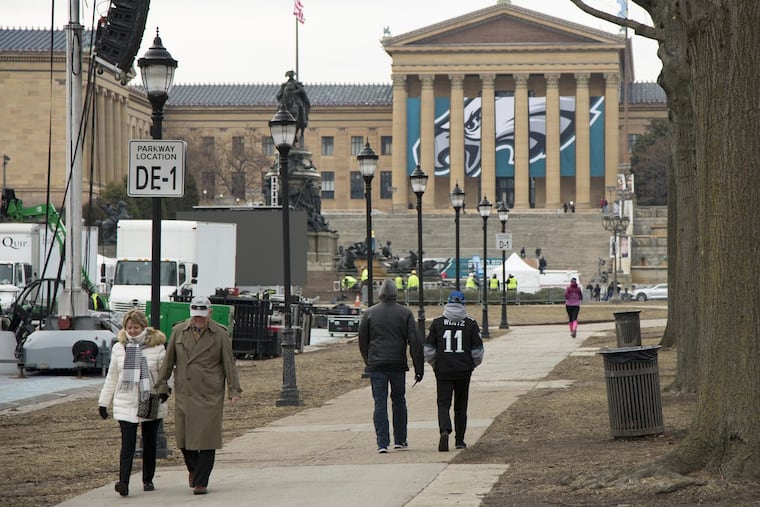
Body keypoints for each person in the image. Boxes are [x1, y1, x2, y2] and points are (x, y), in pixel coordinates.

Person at [155, 296, 241, 495]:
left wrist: (234, 389)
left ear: (209, 313)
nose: (198, 321)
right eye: (195, 317)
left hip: (209, 394)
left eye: (202, 317)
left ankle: (201, 481)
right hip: (185, 393)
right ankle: (193, 469)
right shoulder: (178, 331)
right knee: (185, 440)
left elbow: (229, 364)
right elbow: (168, 362)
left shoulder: (220, 334)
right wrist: (161, 386)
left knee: (207, 439)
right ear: (190, 313)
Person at [98, 309, 168, 497]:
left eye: (136, 327)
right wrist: (104, 402)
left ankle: (148, 478)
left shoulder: (158, 348)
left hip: (149, 398)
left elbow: (165, 374)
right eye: (130, 328)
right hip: (125, 401)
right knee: (127, 445)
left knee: (149, 442)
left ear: (144, 327)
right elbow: (112, 376)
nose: (133, 331)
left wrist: (165, 390)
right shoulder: (119, 348)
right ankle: (124, 482)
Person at [358, 279, 424, 453]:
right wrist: (419, 368)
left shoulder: (369, 313)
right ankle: (400, 439)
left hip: (376, 364)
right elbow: (415, 343)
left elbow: (362, 341)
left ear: (380, 294)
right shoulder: (405, 313)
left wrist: (368, 360)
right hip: (397, 364)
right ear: (396, 294)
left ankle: (382, 442)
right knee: (399, 401)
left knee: (379, 402)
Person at [424, 290, 484, 452]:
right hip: (463, 370)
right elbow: (477, 352)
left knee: (443, 403)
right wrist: (471, 365)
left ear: (447, 303)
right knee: (461, 405)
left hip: (443, 369)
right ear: (463, 304)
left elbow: (428, 349)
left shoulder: (437, 323)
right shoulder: (471, 323)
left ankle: (444, 429)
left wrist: (435, 364)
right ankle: (460, 440)